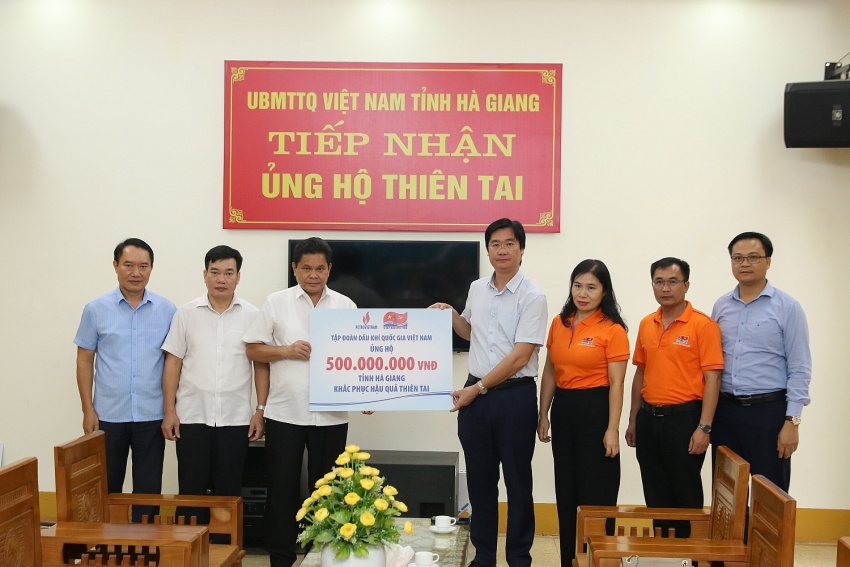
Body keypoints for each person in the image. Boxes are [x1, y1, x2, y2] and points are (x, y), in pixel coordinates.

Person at [431, 218, 548, 567]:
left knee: (517, 483)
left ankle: (518, 558)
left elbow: (520, 356)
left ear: (522, 249)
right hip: (476, 396)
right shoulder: (477, 288)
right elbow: (471, 332)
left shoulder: (533, 296)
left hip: (514, 397)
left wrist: (478, 388)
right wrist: (451, 314)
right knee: (481, 484)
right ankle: (483, 557)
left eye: (510, 243)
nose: (502, 250)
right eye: (495, 244)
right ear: (488, 250)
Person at [243, 237, 357, 567]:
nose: (313, 275)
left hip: (331, 415)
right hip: (285, 413)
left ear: (329, 269)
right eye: (306, 268)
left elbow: (359, 357)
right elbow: (253, 349)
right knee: (282, 490)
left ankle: (325, 557)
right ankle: (281, 559)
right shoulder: (275, 302)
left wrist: (365, 393)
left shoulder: (346, 306)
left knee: (330, 492)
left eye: (320, 268)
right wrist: (286, 350)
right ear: (294, 268)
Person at [160, 245, 270, 533]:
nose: (221, 279)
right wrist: (169, 411)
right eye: (215, 272)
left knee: (228, 493)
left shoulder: (253, 315)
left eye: (229, 273)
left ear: (238, 277)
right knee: (191, 491)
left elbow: (260, 365)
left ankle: (224, 550)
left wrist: (260, 410)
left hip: (235, 419)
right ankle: (188, 548)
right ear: (205, 274)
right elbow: (173, 363)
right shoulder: (186, 313)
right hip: (192, 416)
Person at [74, 237, 176, 522]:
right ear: (115, 266)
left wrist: (171, 410)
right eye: (128, 265)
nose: (136, 273)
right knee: (106, 487)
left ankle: (145, 544)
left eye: (143, 266)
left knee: (148, 489)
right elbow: (84, 360)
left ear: (151, 268)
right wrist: (88, 410)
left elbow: (174, 363)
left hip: (151, 414)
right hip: (108, 415)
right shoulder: (96, 309)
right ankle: (107, 544)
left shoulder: (167, 310)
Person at [537, 259, 629, 565]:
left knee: (595, 493)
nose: (583, 293)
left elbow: (617, 384)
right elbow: (550, 371)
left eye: (591, 287)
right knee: (566, 492)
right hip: (564, 410)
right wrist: (543, 413)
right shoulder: (559, 323)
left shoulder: (613, 329)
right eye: (578, 286)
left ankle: (597, 560)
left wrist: (612, 429)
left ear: (604, 292)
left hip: (596, 411)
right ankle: (569, 560)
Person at [625, 257, 723, 538]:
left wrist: (704, 427)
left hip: (685, 420)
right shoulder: (647, 323)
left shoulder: (703, 325)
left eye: (672, 281)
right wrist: (633, 420)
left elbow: (713, 379)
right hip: (648, 419)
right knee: (655, 492)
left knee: (685, 492)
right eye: (659, 281)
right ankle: (663, 553)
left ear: (686, 285)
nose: (665, 288)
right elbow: (640, 373)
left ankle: (689, 554)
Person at [711, 232, 811, 492]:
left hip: (768, 414)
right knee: (726, 492)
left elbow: (799, 368)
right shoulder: (721, 306)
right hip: (725, 412)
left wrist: (792, 421)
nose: (745, 263)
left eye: (753, 257)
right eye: (738, 258)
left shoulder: (788, 307)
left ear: (768, 261)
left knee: (770, 495)